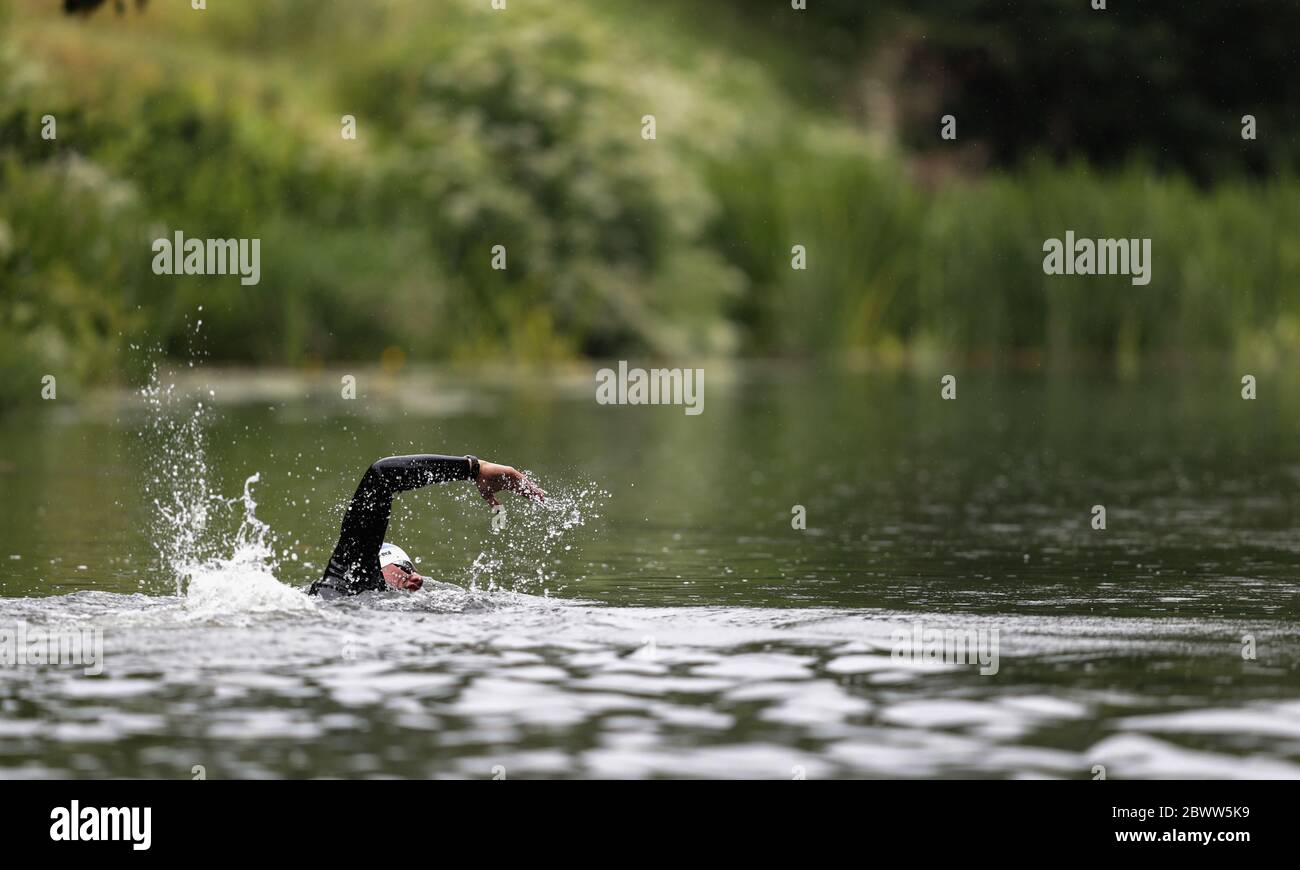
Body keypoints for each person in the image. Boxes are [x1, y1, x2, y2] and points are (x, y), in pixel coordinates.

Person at [307, 454, 545, 599]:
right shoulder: (350, 573)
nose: (415, 578)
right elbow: (381, 475)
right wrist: (473, 468)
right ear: (376, 565)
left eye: (411, 569)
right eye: (403, 568)